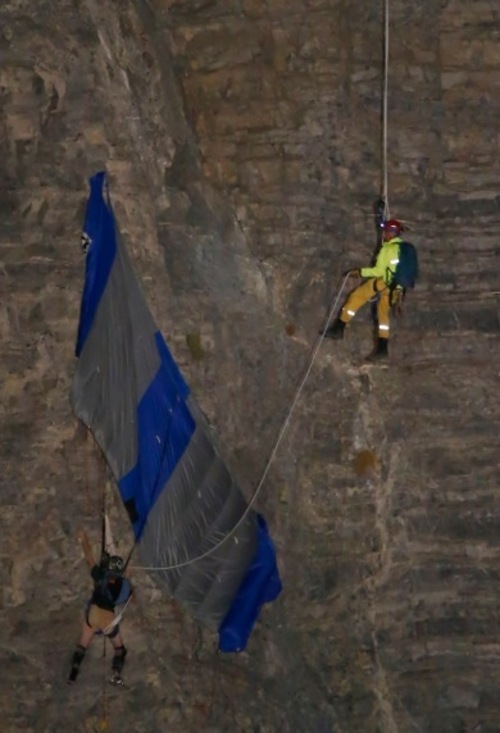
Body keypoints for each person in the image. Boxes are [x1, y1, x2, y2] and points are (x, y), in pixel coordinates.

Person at [322, 218, 405, 361]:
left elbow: (378, 271)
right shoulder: (403, 249)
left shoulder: (388, 249)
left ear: (391, 233)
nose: (384, 234)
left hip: (383, 282)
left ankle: (339, 328)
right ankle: (382, 348)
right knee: (383, 315)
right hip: (396, 288)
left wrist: (359, 272)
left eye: (386, 231)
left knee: (357, 296)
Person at [67, 531, 132, 685]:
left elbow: (89, 559)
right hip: (108, 619)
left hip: (93, 614)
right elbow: (124, 598)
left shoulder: (101, 576)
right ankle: (116, 674)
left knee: (83, 644)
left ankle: (73, 674)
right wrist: (127, 577)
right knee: (120, 649)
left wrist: (84, 540)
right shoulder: (124, 585)